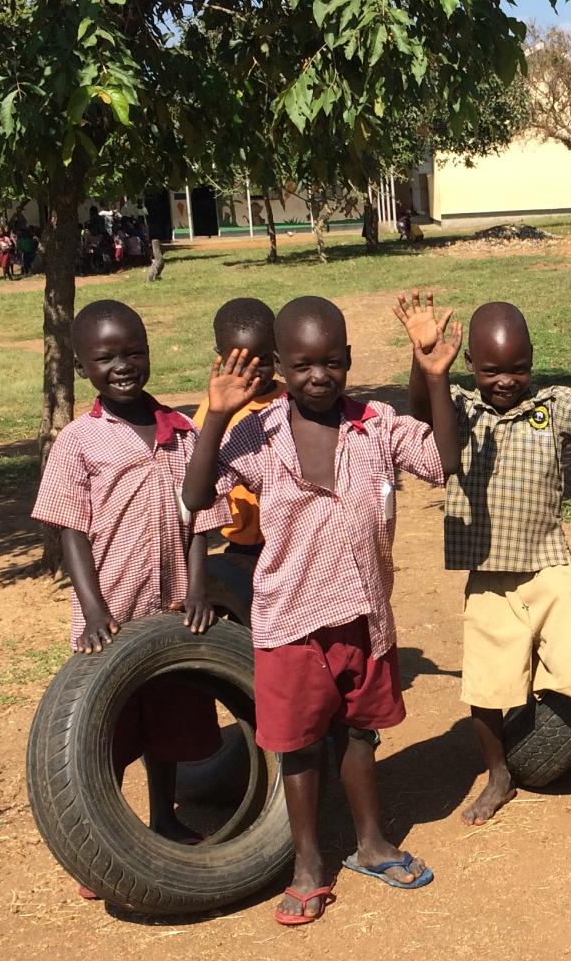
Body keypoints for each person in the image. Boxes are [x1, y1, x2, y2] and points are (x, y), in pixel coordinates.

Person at [183, 296, 463, 927]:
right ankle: (307, 864)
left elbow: (443, 461)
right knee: (301, 746)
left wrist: (436, 377)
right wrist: (216, 417)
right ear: (280, 365)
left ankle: (370, 843)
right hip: (289, 619)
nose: (320, 376)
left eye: (333, 362)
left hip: (363, 615)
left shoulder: (377, 424)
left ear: (349, 361)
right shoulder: (258, 434)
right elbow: (196, 496)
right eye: (304, 363)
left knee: (360, 735)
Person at [397, 294, 571, 836]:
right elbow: (421, 413)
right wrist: (426, 365)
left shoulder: (551, 406)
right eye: (491, 371)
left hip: (548, 567)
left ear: (533, 362)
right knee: (486, 691)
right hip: (487, 574)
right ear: (470, 367)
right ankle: (498, 775)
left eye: (518, 369)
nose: (505, 381)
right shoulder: (459, 407)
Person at [30, 300, 220, 887]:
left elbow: (198, 521)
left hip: (168, 608)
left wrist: (197, 587)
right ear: (84, 366)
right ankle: (98, 836)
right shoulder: (79, 442)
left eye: (133, 352)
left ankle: (164, 817)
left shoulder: (181, 431)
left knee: (165, 716)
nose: (122, 366)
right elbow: (70, 529)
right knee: (105, 728)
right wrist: (92, 610)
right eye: (105, 358)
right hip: (110, 610)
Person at [191, 298, 283, 563]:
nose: (252, 372)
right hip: (244, 544)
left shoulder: (291, 402)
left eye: (261, 360)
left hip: (294, 535)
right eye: (240, 362)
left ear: (277, 352)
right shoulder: (214, 413)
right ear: (219, 354)